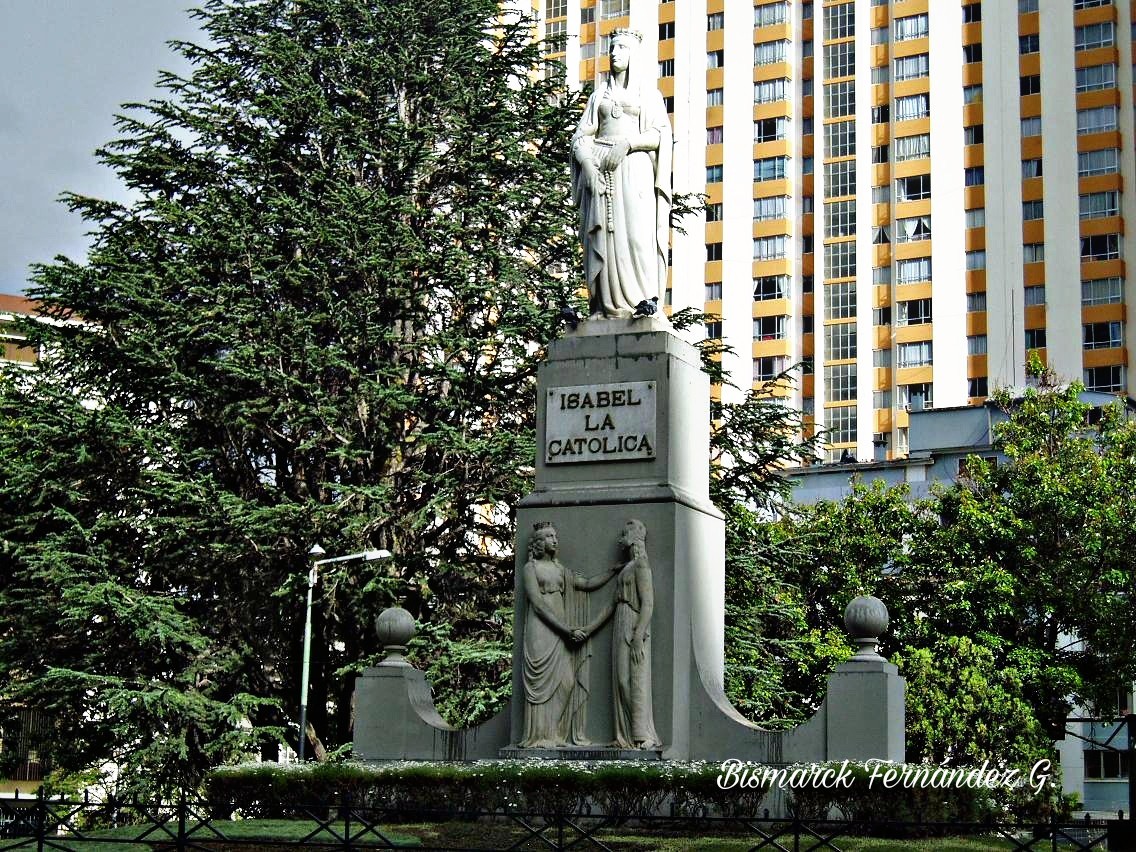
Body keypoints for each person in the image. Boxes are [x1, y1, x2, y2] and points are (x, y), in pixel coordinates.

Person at [571, 29, 672, 319]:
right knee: (602, 237)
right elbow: (580, 136)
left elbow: (660, 134)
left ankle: (642, 303)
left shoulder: (648, 94)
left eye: (622, 48)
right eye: (612, 48)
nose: (614, 53)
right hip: (601, 171)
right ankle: (605, 306)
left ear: (634, 55)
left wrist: (628, 143)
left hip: (635, 167)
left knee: (638, 238)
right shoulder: (599, 95)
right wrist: (588, 164)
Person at [520, 522, 617, 748]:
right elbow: (537, 605)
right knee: (541, 685)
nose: (554, 539)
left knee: (566, 682)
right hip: (542, 631)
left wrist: (613, 572)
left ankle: (553, 733)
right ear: (538, 543)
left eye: (555, 535)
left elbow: (587, 584)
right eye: (548, 537)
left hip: (560, 631)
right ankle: (539, 737)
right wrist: (567, 630)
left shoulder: (560, 570)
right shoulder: (530, 569)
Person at [611, 519, 661, 749]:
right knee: (622, 680)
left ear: (633, 537)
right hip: (621, 621)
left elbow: (648, 603)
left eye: (624, 533)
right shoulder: (627, 567)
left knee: (636, 679)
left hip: (633, 622)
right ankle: (625, 735)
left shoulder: (641, 564)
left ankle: (642, 735)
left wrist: (638, 635)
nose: (621, 538)